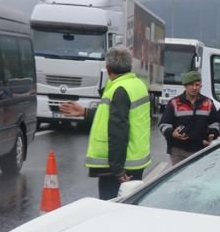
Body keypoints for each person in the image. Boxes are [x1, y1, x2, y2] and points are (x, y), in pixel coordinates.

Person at [59, 47, 151, 200]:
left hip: (121, 166)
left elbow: (118, 131)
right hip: (136, 160)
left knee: (111, 207)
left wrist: (118, 170)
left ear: (108, 69)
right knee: (130, 206)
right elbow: (117, 115)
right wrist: (85, 112)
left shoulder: (119, 89)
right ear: (130, 66)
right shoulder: (138, 85)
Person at [159, 69, 219, 164]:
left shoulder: (208, 103)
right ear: (185, 86)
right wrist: (172, 133)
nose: (194, 88)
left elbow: (215, 123)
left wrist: (213, 134)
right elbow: (163, 124)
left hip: (201, 150)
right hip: (178, 151)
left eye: (197, 85)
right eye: (191, 85)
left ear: (201, 86)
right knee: (180, 174)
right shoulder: (174, 103)